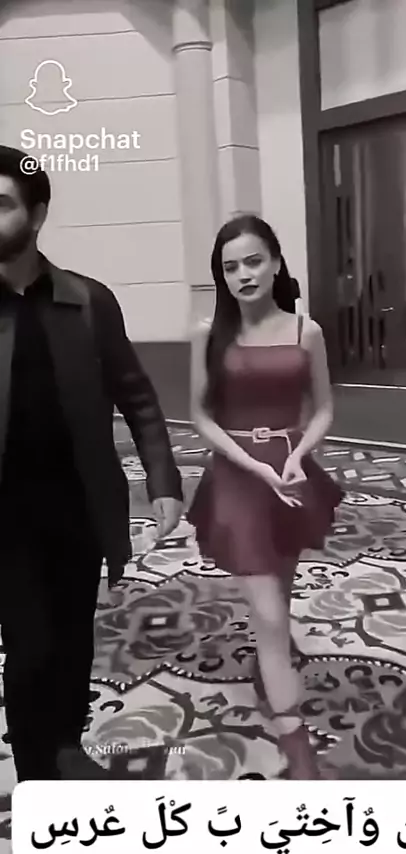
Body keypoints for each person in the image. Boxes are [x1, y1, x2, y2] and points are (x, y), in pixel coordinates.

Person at [0, 145, 183, 781]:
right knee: (29, 650)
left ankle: (65, 748)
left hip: (79, 509)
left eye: (1, 204)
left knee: (74, 638)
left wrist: (163, 480)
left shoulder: (89, 301)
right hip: (6, 520)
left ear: (37, 214)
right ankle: (37, 778)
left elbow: (138, 396)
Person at [188, 214, 343, 779]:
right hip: (237, 476)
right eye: (230, 267)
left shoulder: (307, 331)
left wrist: (298, 455)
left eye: (253, 261)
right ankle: (292, 731)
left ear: (276, 262)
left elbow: (323, 409)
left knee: (281, 589)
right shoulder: (208, 332)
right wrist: (252, 463)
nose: (243, 275)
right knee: (271, 614)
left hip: (292, 473)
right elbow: (200, 416)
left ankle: (268, 663)